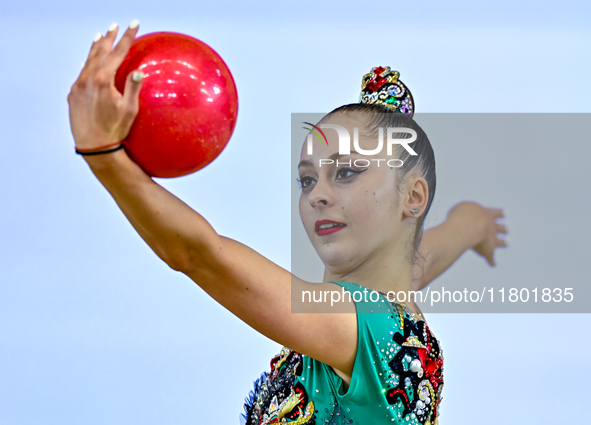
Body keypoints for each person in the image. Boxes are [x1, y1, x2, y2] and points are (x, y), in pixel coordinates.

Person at [68, 22, 509, 425]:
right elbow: (426, 253)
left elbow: (199, 254)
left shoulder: (358, 330)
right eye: (306, 179)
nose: (316, 194)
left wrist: (103, 153)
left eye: (348, 172)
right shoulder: (390, 305)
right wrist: (470, 224)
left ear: (412, 197)